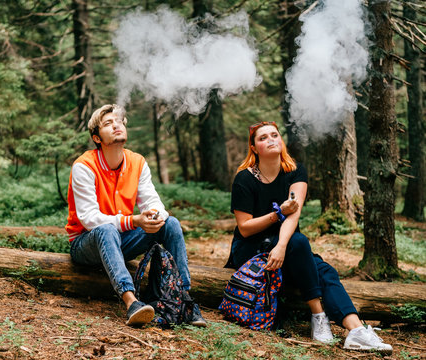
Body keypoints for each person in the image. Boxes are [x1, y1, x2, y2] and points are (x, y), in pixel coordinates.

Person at [224, 121, 392, 352]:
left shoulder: (295, 171)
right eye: (263, 138)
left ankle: (355, 331)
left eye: (275, 135)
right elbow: (244, 228)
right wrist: (277, 214)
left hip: (288, 247)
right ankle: (318, 315)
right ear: (253, 148)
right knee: (302, 244)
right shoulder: (244, 178)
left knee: (324, 269)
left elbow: (294, 214)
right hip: (251, 249)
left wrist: (282, 245)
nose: (271, 139)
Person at [66, 104, 206, 327]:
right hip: (86, 243)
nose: (116, 125)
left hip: (122, 240)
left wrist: (156, 217)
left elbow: (152, 202)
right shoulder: (84, 166)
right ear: (96, 137)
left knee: (170, 223)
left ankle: (184, 301)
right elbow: (89, 219)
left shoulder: (137, 162)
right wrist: (134, 220)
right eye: (108, 124)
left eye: (119, 121)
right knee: (106, 229)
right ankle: (132, 302)